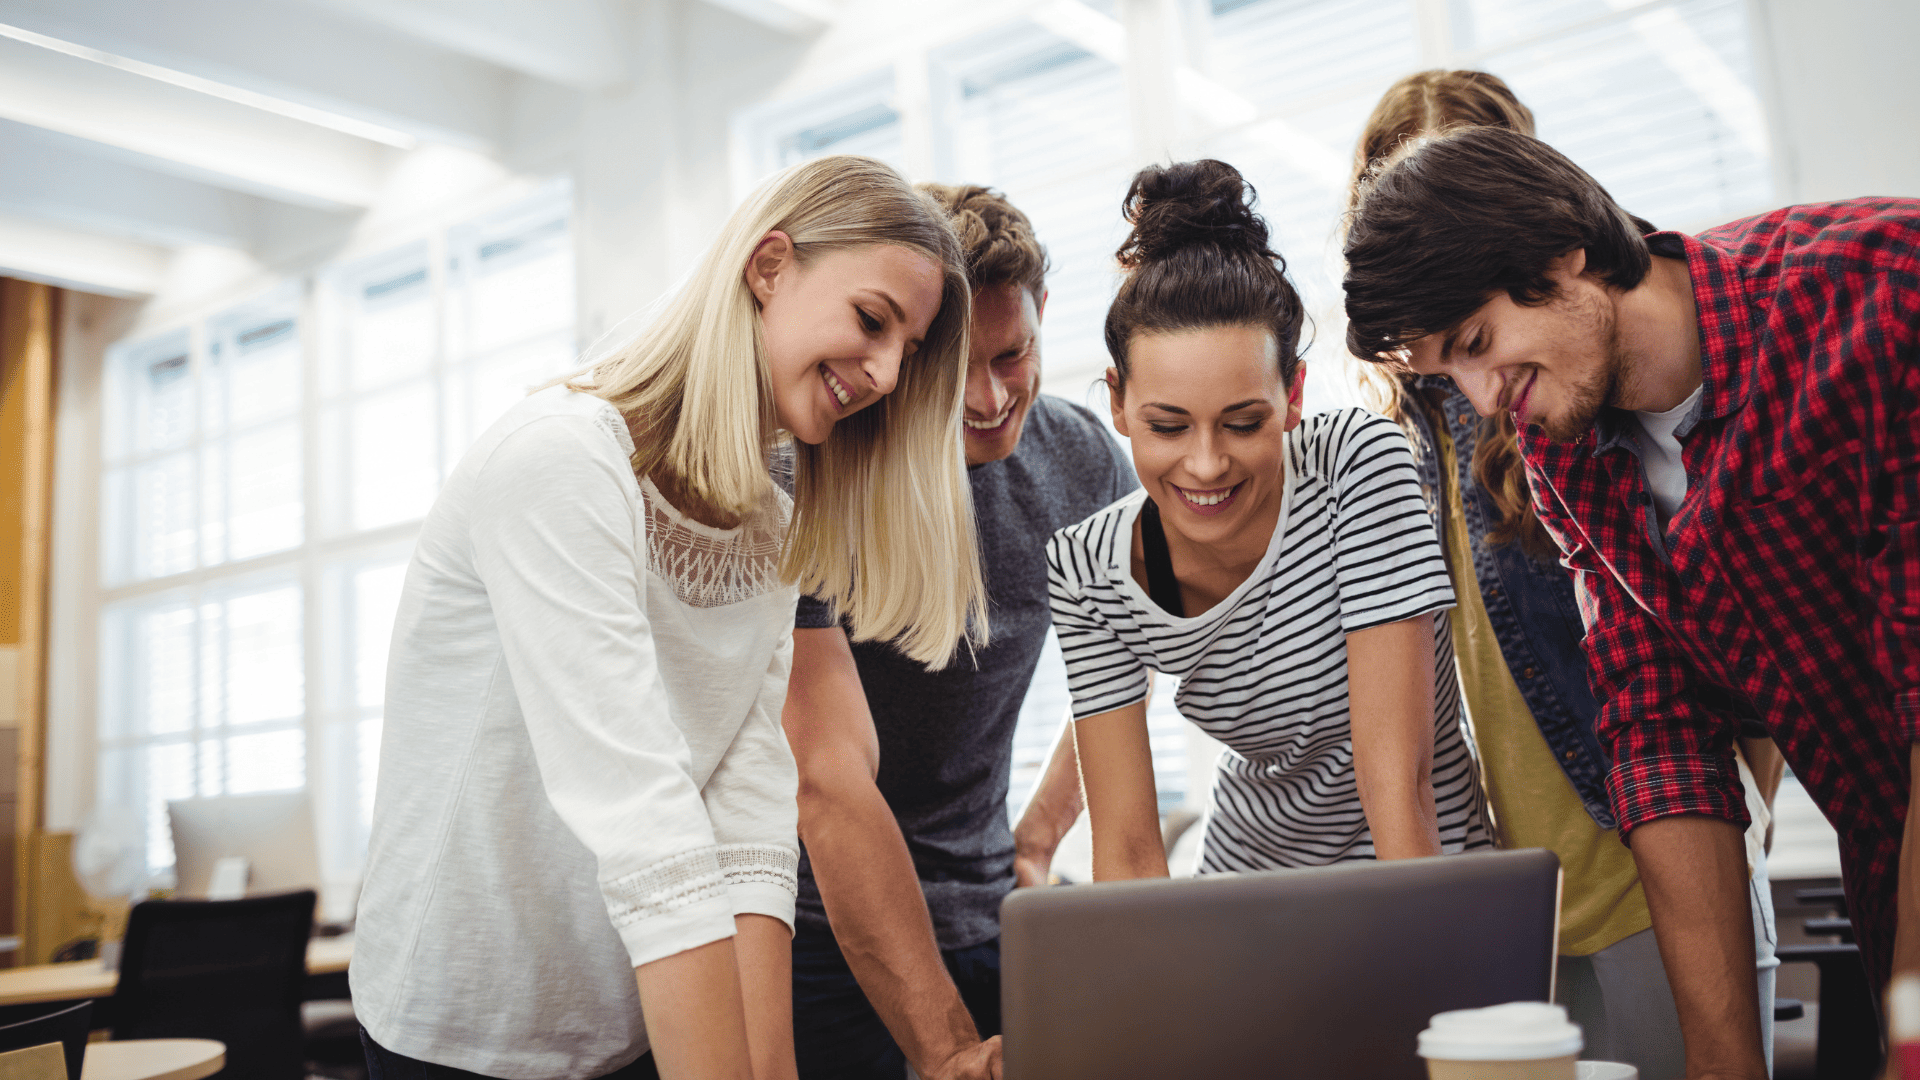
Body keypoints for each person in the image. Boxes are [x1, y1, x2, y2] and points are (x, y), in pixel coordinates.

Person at [352, 155, 988, 1080]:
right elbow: (644, 816)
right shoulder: (561, 461)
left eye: (910, 350)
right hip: (465, 1023)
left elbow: (750, 819)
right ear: (769, 267)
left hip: (627, 1021)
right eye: (872, 320)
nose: (889, 372)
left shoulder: (769, 525)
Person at [1344, 125, 1920, 1078]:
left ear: (1562, 252)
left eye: (1479, 344)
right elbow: (1660, 737)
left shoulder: (1878, 294)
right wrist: (1721, 1062)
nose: (1486, 400)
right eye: (1450, 372)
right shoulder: (1562, 450)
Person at [1047, 159, 1491, 887]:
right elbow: (1126, 850)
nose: (1206, 464)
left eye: (1243, 422)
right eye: (1167, 426)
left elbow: (1399, 785)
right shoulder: (1088, 569)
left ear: (1293, 396)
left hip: (1422, 876)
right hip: (1247, 887)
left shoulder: (1357, 464)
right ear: (1119, 403)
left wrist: (1426, 957)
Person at [782, 183, 1137, 1080]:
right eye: (958, 369)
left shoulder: (1081, 458)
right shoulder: (821, 470)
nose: (986, 398)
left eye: (1013, 356)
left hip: (992, 915)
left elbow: (1132, 660)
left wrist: (1039, 836)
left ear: (1045, 318)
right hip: (817, 930)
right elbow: (824, 782)